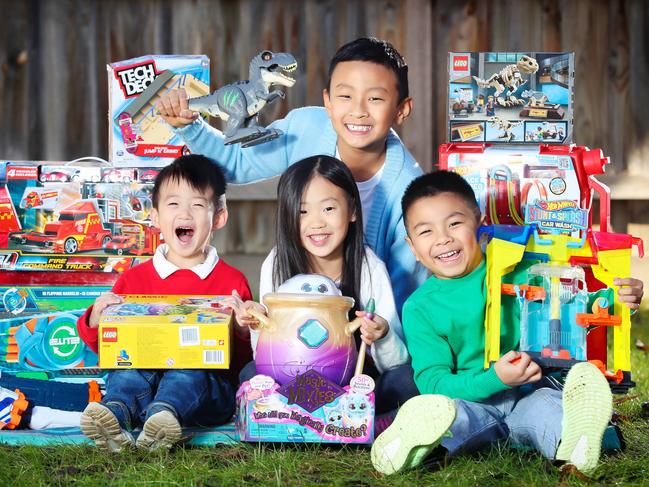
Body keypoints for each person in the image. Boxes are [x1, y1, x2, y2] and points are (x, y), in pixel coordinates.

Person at [371, 170, 644, 475]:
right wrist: (495, 379)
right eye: (426, 232)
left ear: (478, 222)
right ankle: (414, 440)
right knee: (452, 415)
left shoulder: (520, 271)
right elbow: (434, 382)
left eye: (455, 223)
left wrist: (615, 299)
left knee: (549, 409)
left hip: (532, 391)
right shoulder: (420, 307)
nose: (443, 238)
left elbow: (570, 306)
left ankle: (575, 441)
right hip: (472, 400)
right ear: (412, 249)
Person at [156, 37, 428, 315]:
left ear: (401, 109)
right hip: (295, 307)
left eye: (375, 98)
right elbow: (236, 162)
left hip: (365, 326)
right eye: (345, 96)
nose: (358, 110)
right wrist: (190, 127)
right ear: (328, 101)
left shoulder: (409, 191)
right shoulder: (306, 129)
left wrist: (372, 340)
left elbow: (405, 292)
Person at [76, 155, 254, 451]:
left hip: (205, 392)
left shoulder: (231, 282)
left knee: (191, 369)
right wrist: (97, 317)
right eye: (173, 204)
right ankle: (116, 415)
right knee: (126, 371)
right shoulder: (133, 280)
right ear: (156, 216)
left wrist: (243, 327)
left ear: (219, 217)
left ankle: (163, 419)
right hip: (145, 384)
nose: (184, 213)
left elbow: (246, 357)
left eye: (197, 205)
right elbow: (106, 346)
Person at [228, 155, 417, 416]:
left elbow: (394, 363)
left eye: (328, 209)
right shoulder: (277, 263)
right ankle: (327, 421)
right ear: (287, 215)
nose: (316, 222)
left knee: (406, 380)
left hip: (352, 383)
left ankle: (317, 419)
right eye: (303, 211)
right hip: (290, 377)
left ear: (351, 210)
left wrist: (381, 334)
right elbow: (265, 358)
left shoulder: (369, 267)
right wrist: (258, 323)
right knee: (251, 374)